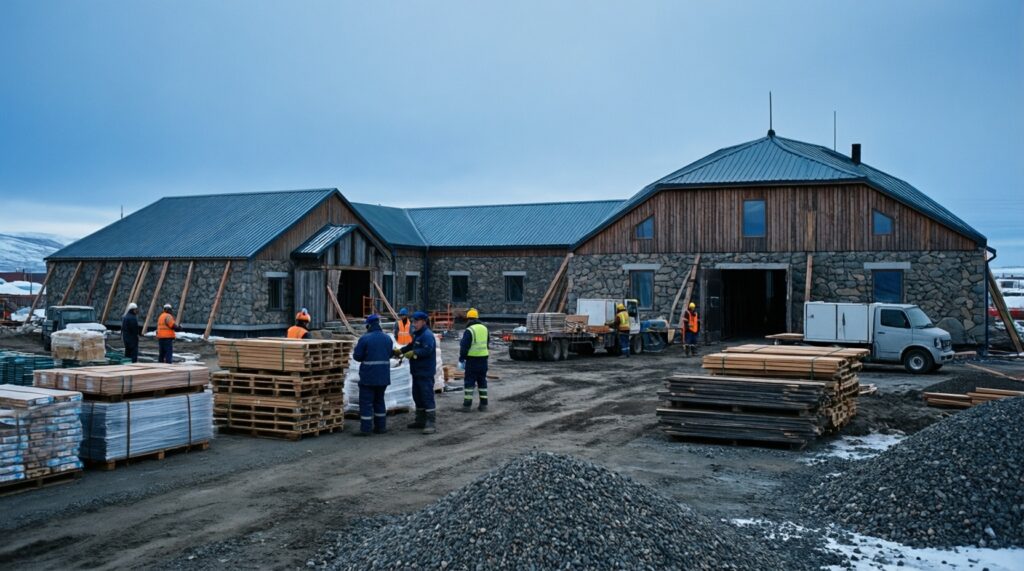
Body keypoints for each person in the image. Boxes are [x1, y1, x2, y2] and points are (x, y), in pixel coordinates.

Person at [396, 311, 437, 434]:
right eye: (413, 321)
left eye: (416, 322)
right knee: (417, 396)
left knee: (426, 396)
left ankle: (430, 422)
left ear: (423, 322)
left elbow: (427, 350)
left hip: (425, 371)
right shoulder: (417, 334)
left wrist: (415, 353)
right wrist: (401, 351)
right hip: (417, 371)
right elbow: (411, 346)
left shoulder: (427, 335)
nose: (414, 324)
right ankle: (420, 420)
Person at [351, 314, 392, 436]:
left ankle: (366, 429)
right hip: (383, 376)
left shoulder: (365, 339)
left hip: (368, 377)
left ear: (368, 325)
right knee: (379, 401)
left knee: (366, 403)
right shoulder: (387, 338)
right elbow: (389, 354)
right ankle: (381, 427)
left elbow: (357, 357)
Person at [459, 308, 489, 412]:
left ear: (468, 319)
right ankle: (484, 405)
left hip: (472, 360)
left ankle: (467, 406)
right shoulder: (485, 328)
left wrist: (462, 358)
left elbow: (464, 347)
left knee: (469, 382)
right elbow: (487, 343)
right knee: (482, 382)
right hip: (483, 360)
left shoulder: (470, 330)